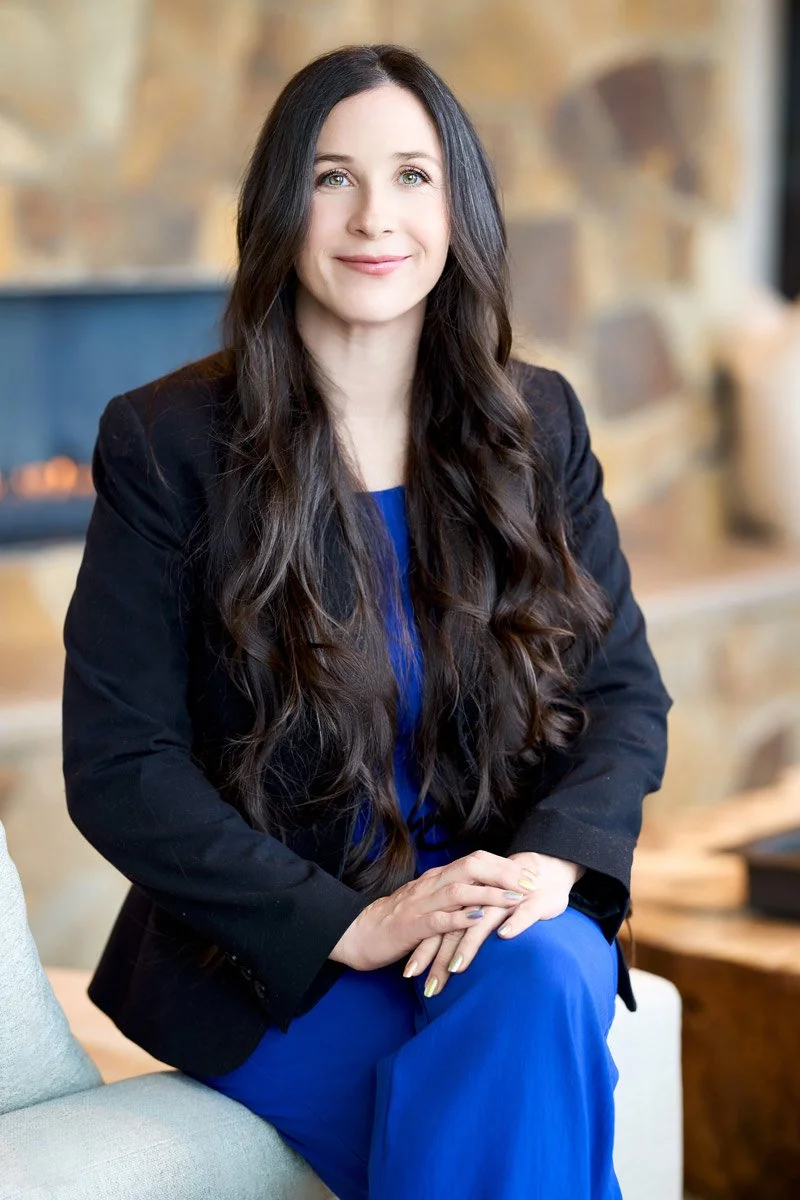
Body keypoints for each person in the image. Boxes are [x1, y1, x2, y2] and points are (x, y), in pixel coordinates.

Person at [62, 42, 673, 1200]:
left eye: (410, 176)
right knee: (524, 1092)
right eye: (332, 177)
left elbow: (621, 693)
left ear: (459, 210)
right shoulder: (167, 443)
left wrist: (548, 865)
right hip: (285, 954)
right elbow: (118, 763)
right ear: (280, 206)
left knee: (539, 980)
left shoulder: (534, 423)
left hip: (497, 901)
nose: (371, 217)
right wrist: (351, 927)